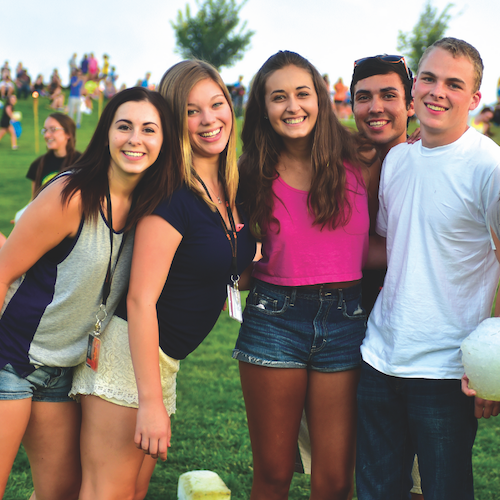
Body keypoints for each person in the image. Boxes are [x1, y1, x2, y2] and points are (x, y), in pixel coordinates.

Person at [70, 59, 256, 500]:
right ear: (175, 121)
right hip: (129, 356)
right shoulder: (172, 196)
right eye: (192, 111)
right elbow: (140, 300)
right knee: (107, 492)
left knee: (131, 492)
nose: (209, 120)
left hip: (162, 362)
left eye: (217, 104)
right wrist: (151, 403)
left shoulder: (229, 188)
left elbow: (218, 271)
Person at [0, 86, 174, 500]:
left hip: (62, 371)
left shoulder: (153, 207)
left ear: (164, 141)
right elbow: (4, 271)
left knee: (61, 492)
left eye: (149, 129)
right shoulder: (70, 195)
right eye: (124, 126)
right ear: (106, 133)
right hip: (11, 358)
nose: (136, 139)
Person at [356, 38, 500, 500]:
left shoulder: (489, 168)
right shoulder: (398, 159)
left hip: (447, 368)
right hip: (379, 356)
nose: (438, 92)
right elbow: (391, 245)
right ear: (414, 85)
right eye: (430, 79)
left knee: (443, 491)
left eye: (454, 84)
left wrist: (493, 369)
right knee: (378, 491)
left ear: (474, 99)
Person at [233, 50, 373, 500]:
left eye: (302, 93)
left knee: (333, 481)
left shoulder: (361, 158)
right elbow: (230, 249)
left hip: (346, 321)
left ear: (320, 98)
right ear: (263, 107)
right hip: (275, 318)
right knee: (273, 475)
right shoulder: (249, 171)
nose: (292, 106)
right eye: (278, 97)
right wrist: (241, 272)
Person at [26, 113, 81, 197]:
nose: (46, 135)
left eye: (53, 129)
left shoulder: (82, 164)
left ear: (68, 134)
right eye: (45, 130)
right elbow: (34, 201)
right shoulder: (38, 164)